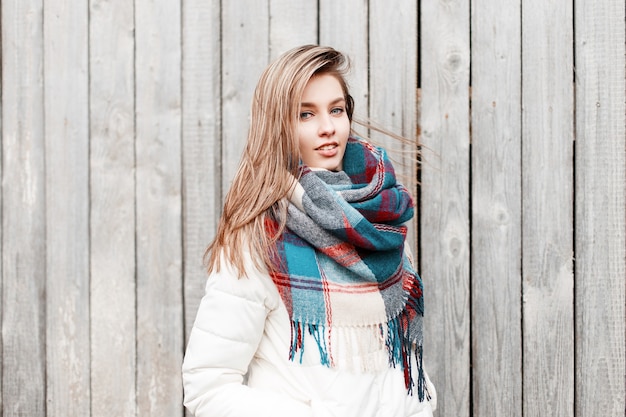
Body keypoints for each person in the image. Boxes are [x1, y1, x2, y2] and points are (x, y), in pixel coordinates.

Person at [182, 45, 436, 417]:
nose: (327, 127)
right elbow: (208, 385)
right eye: (306, 114)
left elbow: (399, 363)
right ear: (279, 125)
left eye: (335, 110)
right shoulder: (258, 239)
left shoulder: (381, 224)